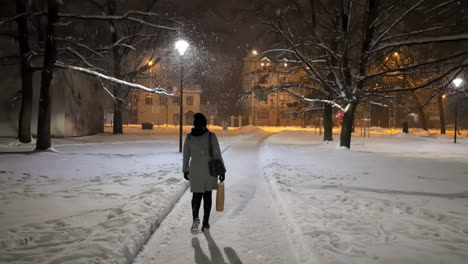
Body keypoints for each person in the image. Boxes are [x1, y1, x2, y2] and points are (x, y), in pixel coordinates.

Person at [183, 113, 225, 234]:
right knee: (207, 197)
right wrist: (221, 171)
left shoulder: (190, 137)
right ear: (205, 123)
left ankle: (195, 217)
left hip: (195, 169)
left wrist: (185, 170)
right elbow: (217, 154)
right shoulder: (211, 136)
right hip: (208, 170)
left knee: (196, 196)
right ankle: (205, 223)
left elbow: (186, 155)